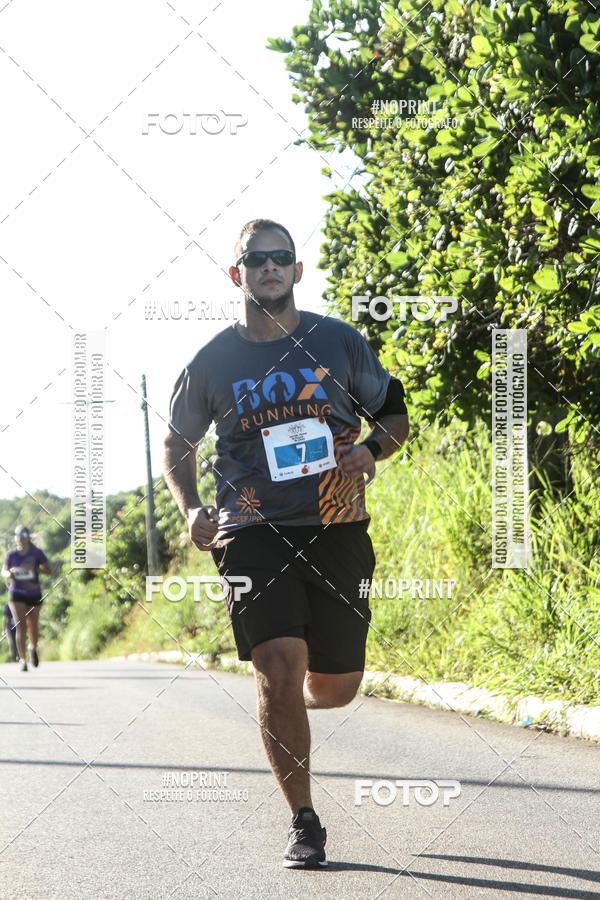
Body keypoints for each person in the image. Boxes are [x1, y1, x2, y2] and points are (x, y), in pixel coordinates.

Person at [164, 218, 409, 868]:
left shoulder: (338, 341)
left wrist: (371, 450)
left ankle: (296, 690)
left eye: (281, 258)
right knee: (276, 663)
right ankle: (304, 821)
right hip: (250, 532)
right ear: (235, 273)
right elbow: (177, 444)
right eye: (255, 259)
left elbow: (393, 414)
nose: (268, 267)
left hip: (336, 524)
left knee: (336, 687)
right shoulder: (212, 361)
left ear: (298, 271)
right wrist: (192, 509)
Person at [2, 525, 52, 671]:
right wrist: (10, 573)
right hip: (16, 593)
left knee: (33, 627)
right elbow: (3, 571)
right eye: (18, 534)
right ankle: (22, 659)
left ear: (28, 536)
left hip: (34, 593)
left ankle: (33, 648)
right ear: (16, 537)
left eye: (23, 534)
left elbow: (49, 570)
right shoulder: (11, 555)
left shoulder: (37, 553)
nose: (21, 537)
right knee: (20, 626)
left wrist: (34, 570)